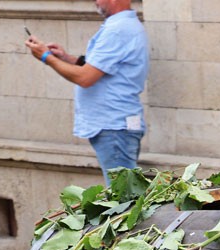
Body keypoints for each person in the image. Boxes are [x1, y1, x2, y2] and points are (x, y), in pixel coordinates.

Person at [24, 0, 148, 184]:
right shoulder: (124, 26)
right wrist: (67, 58)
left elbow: (85, 78)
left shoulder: (118, 30)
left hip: (114, 126)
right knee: (122, 193)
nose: (95, 1)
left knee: (122, 196)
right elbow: (100, 68)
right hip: (116, 125)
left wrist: (46, 57)